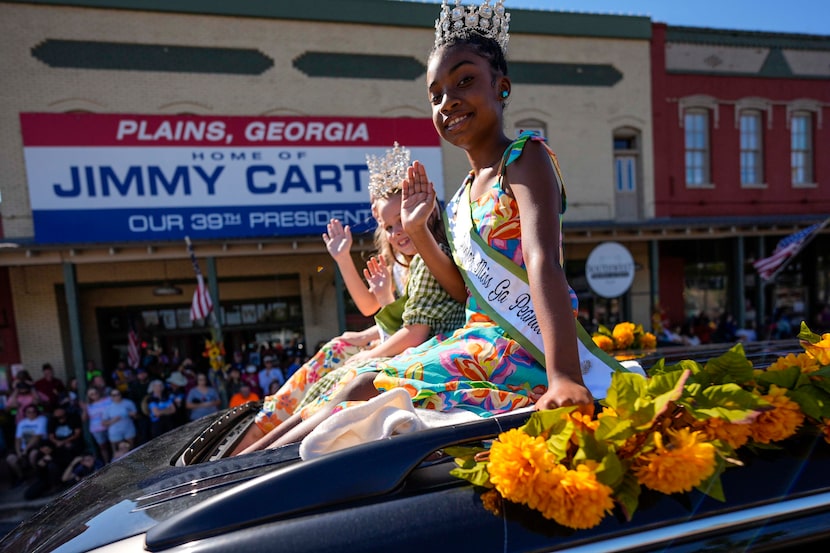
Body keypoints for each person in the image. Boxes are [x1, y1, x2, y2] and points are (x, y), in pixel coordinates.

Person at [245, 2, 623, 451]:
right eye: (436, 94)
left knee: (359, 390)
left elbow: (542, 262)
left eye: (465, 81)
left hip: (525, 347)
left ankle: (242, 473)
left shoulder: (524, 158)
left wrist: (564, 376)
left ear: (502, 87)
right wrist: (419, 231)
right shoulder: (461, 196)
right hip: (476, 336)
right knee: (348, 382)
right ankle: (237, 470)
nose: (449, 101)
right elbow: (468, 293)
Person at [236, 142, 466, 453]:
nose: (398, 232)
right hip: (404, 342)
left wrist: (367, 350)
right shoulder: (412, 260)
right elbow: (391, 316)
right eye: (389, 226)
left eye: (402, 220)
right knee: (339, 354)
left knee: (343, 369)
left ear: (425, 208)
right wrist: (346, 263)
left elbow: (411, 327)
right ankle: (257, 439)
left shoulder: (428, 258)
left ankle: (257, 445)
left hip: (418, 347)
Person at [6, 404, 48, 483]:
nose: (31, 414)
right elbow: (18, 438)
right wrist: (18, 451)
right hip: (23, 447)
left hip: (37, 445)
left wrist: (26, 449)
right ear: (25, 413)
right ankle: (21, 477)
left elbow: (37, 437)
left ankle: (39, 476)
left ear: (37, 412)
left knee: (33, 455)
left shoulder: (42, 419)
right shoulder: (22, 423)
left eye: (33, 412)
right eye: (29, 412)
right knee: (10, 459)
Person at [82, 387, 112, 464]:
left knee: (114, 443)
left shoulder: (108, 399)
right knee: (103, 447)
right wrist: (85, 409)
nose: (94, 395)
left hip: (111, 425)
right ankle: (107, 463)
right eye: (91, 394)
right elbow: (84, 419)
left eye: (95, 393)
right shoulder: (89, 405)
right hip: (97, 428)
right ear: (89, 396)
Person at [102, 389, 138, 454]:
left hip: (128, 429)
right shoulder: (108, 407)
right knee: (117, 452)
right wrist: (113, 420)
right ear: (111, 397)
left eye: (118, 394)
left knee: (131, 450)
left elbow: (136, 416)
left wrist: (130, 413)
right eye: (114, 395)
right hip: (115, 432)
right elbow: (104, 423)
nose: (116, 396)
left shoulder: (129, 403)